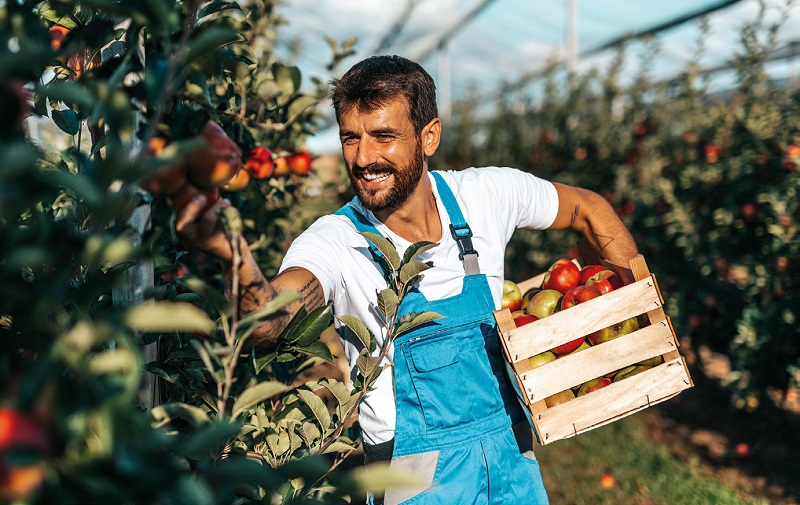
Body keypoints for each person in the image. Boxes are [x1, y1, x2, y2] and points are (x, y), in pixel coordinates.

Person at [176, 55, 638, 505]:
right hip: (413, 481)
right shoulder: (336, 241)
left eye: (383, 136)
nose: (363, 157)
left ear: (428, 136)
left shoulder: (484, 196)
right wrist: (231, 250)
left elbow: (587, 208)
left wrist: (633, 308)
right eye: (350, 138)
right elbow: (270, 324)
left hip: (513, 462)